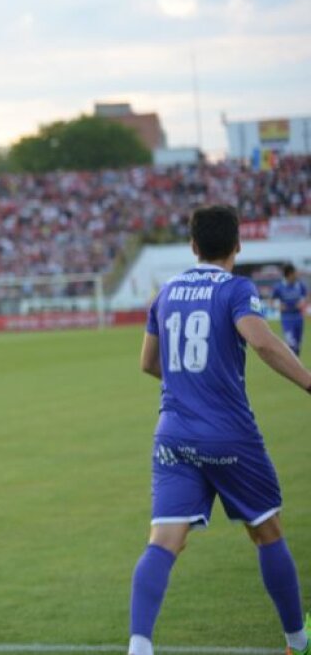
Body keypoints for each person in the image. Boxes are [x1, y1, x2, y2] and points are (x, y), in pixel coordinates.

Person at [130, 205, 310, 655]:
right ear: (237, 245)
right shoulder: (236, 289)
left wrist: (188, 385)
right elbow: (264, 342)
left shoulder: (166, 292)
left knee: (164, 541)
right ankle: (298, 641)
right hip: (228, 434)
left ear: (193, 246)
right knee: (266, 531)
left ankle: (138, 646)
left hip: (172, 435)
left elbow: (148, 364)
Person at [272, 264, 307, 356]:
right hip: (287, 318)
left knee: (298, 345)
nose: (297, 274)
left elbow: (308, 295)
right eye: (295, 272)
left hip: (299, 317)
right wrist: (278, 306)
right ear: (290, 274)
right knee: (291, 344)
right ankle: (292, 366)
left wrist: (303, 303)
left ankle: (296, 366)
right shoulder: (279, 287)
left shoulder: (299, 285)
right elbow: (271, 301)